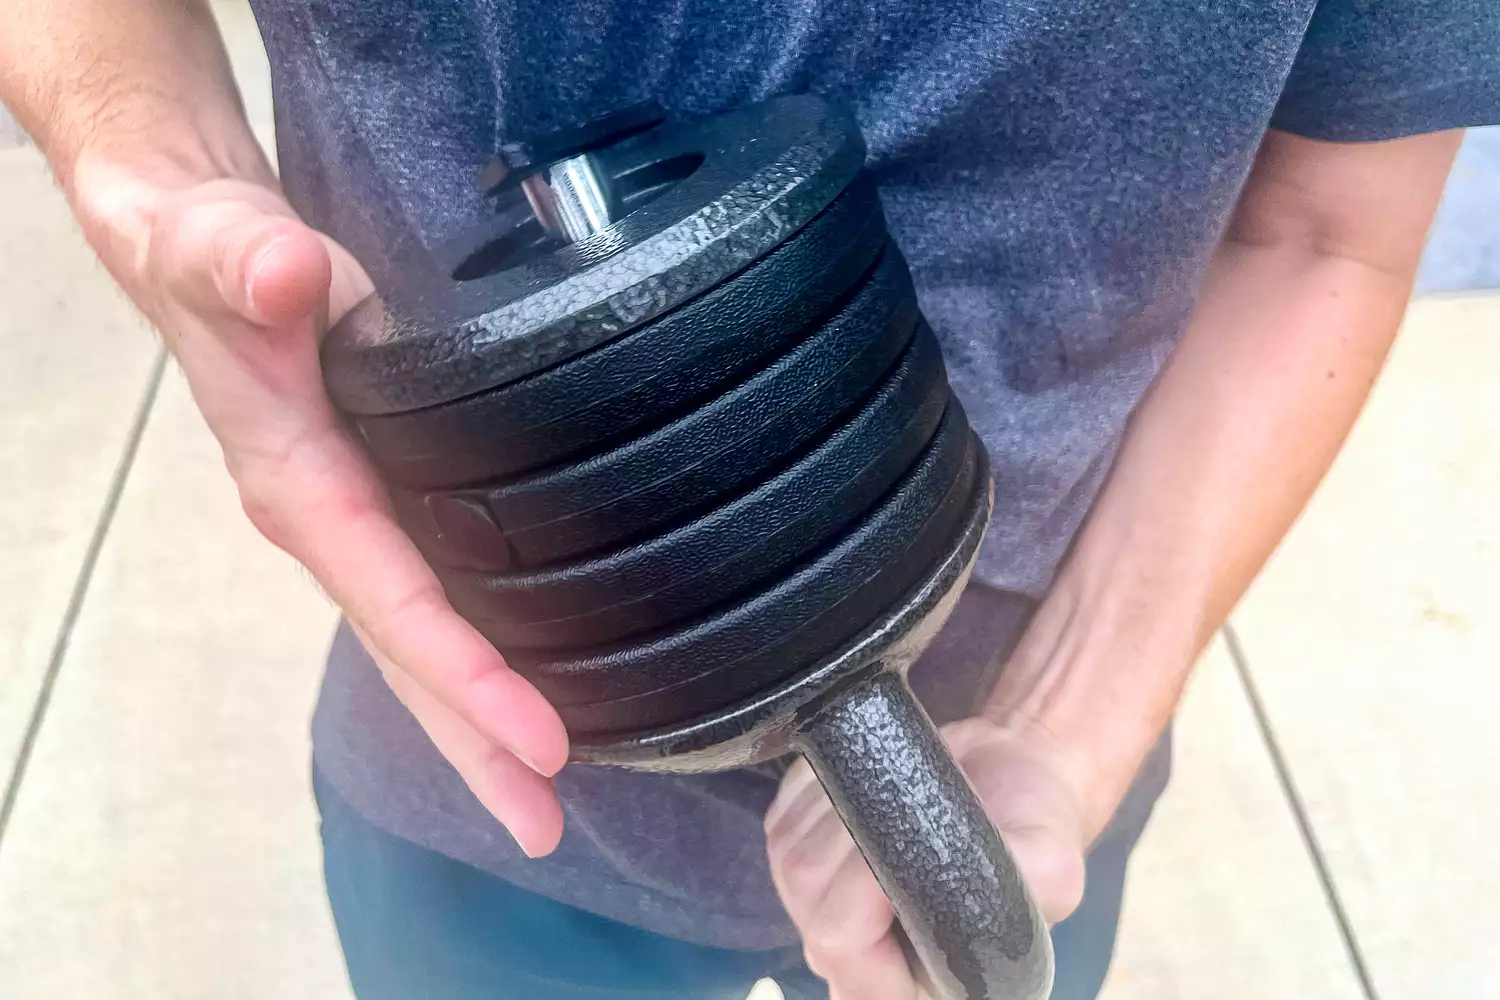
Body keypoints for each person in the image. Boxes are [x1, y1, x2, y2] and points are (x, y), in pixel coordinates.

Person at [4, 1, 1497, 997]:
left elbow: (1324, 226)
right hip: (497, 773)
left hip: (1022, 779)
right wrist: (152, 161)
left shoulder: (1046, 757)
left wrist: (1065, 728)